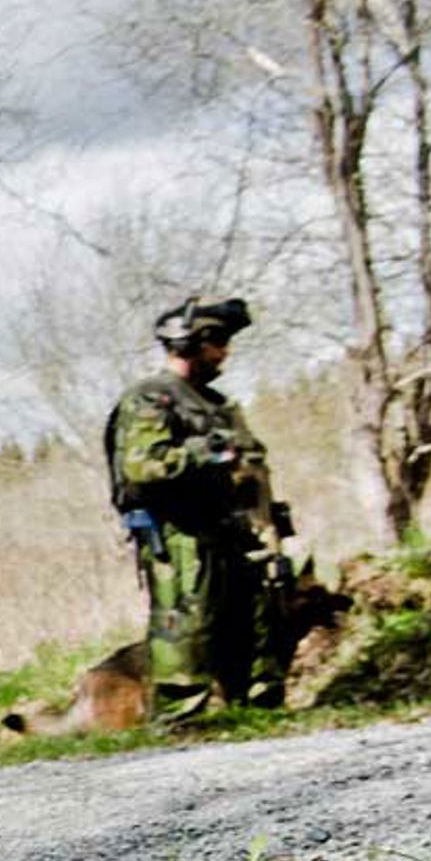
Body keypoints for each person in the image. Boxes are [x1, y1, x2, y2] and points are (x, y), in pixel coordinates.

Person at [105, 297, 297, 723]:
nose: (225, 353)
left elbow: (249, 465)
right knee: (186, 631)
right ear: (192, 343)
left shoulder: (216, 404)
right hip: (182, 536)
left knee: (253, 623)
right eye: (219, 343)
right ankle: (179, 722)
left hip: (234, 530)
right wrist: (205, 452)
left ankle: (258, 712)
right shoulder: (152, 398)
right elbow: (143, 467)